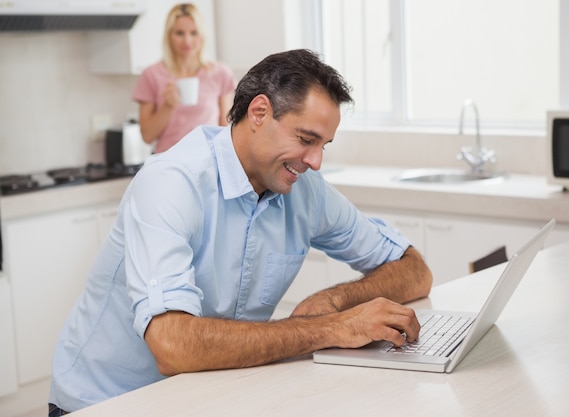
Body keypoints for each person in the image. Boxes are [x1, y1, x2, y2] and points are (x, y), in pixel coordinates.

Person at [48, 49, 433, 415]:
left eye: (323, 146)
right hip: (107, 404)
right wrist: (330, 327)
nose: (315, 161)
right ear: (259, 112)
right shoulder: (173, 183)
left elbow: (415, 269)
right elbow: (172, 345)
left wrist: (333, 301)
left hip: (208, 396)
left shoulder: (304, 190)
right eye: (306, 139)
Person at [132, 3, 237, 153]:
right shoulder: (151, 75)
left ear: (202, 35)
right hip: (167, 162)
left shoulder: (220, 73)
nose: (187, 41)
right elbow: (147, 136)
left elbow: (226, 130)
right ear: (169, 36)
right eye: (179, 33)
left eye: (194, 33)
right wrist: (168, 106)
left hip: (209, 162)